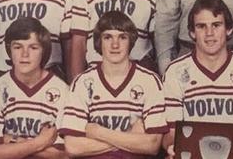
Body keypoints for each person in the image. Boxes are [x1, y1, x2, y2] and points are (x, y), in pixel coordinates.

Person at [162, 0, 233, 156]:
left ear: (229, 29)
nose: (209, 33)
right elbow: (171, 133)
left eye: (216, 25)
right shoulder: (176, 71)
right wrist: (173, 146)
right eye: (201, 26)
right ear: (192, 33)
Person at [61, 10, 167, 157]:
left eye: (122, 37)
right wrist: (131, 137)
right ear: (99, 41)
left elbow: (152, 144)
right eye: (108, 37)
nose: (115, 44)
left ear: (131, 41)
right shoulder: (82, 83)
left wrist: (98, 132)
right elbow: (73, 146)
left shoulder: (149, 81)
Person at [0, 17, 68, 159]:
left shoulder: (61, 89)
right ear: (9, 50)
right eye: (17, 47)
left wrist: (11, 141)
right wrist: (40, 142)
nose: (24, 54)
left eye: (33, 47)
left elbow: (60, 154)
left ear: (43, 51)